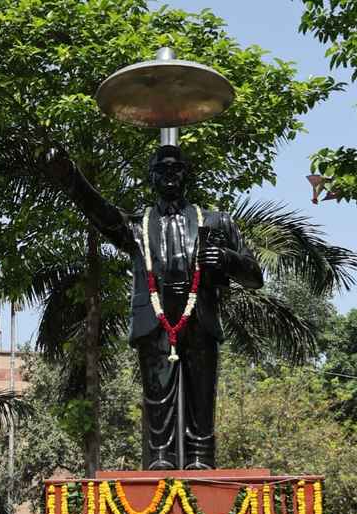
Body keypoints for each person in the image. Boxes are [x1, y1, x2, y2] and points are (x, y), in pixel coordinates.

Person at [41, 143, 263, 469]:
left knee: (203, 396)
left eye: (176, 169)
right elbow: (102, 213)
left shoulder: (216, 222)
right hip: (155, 322)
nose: (170, 176)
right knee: (158, 398)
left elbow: (256, 276)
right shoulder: (137, 227)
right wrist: (71, 178)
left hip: (199, 319)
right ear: (151, 178)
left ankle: (201, 458)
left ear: (186, 175)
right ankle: (161, 457)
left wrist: (228, 260)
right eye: (162, 170)